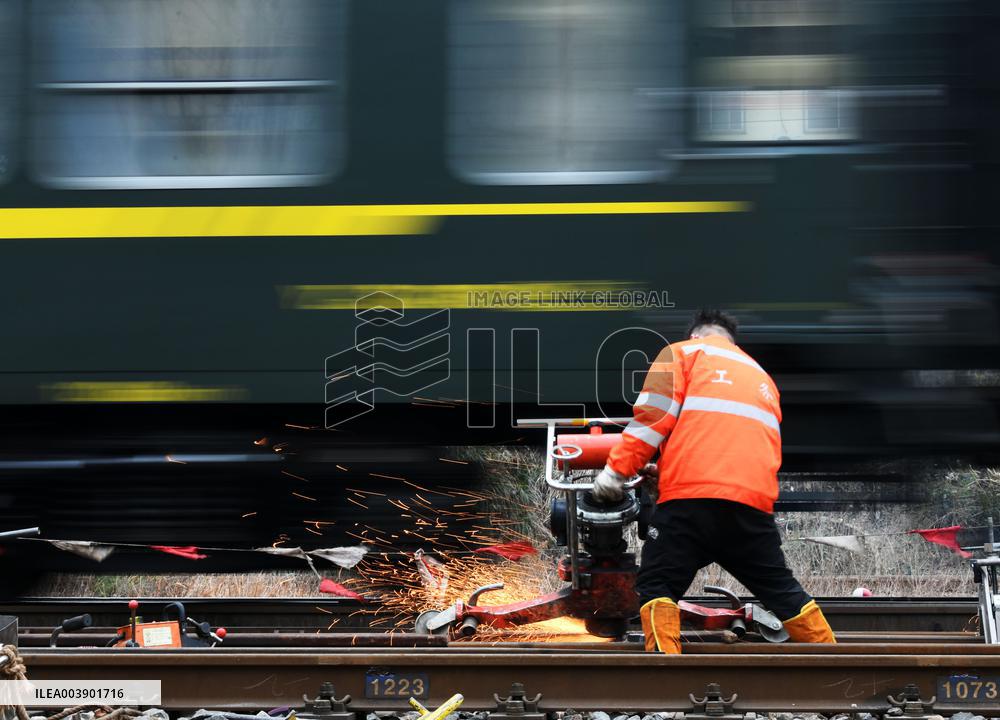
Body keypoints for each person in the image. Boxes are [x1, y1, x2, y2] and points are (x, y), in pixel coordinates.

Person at [592, 308, 836, 653]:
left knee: (657, 584)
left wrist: (615, 473)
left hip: (690, 503)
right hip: (751, 503)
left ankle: (665, 673)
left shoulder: (681, 353)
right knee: (781, 590)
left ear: (696, 335)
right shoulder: (761, 376)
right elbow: (730, 442)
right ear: (731, 341)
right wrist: (667, 471)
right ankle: (837, 663)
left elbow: (652, 421)